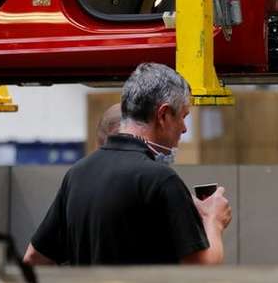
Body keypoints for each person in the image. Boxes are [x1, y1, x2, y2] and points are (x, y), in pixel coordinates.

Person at [23, 62, 232, 266]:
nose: (184, 129)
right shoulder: (160, 180)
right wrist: (213, 219)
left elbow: (34, 259)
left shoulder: (77, 174)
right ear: (163, 115)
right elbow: (201, 269)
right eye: (183, 117)